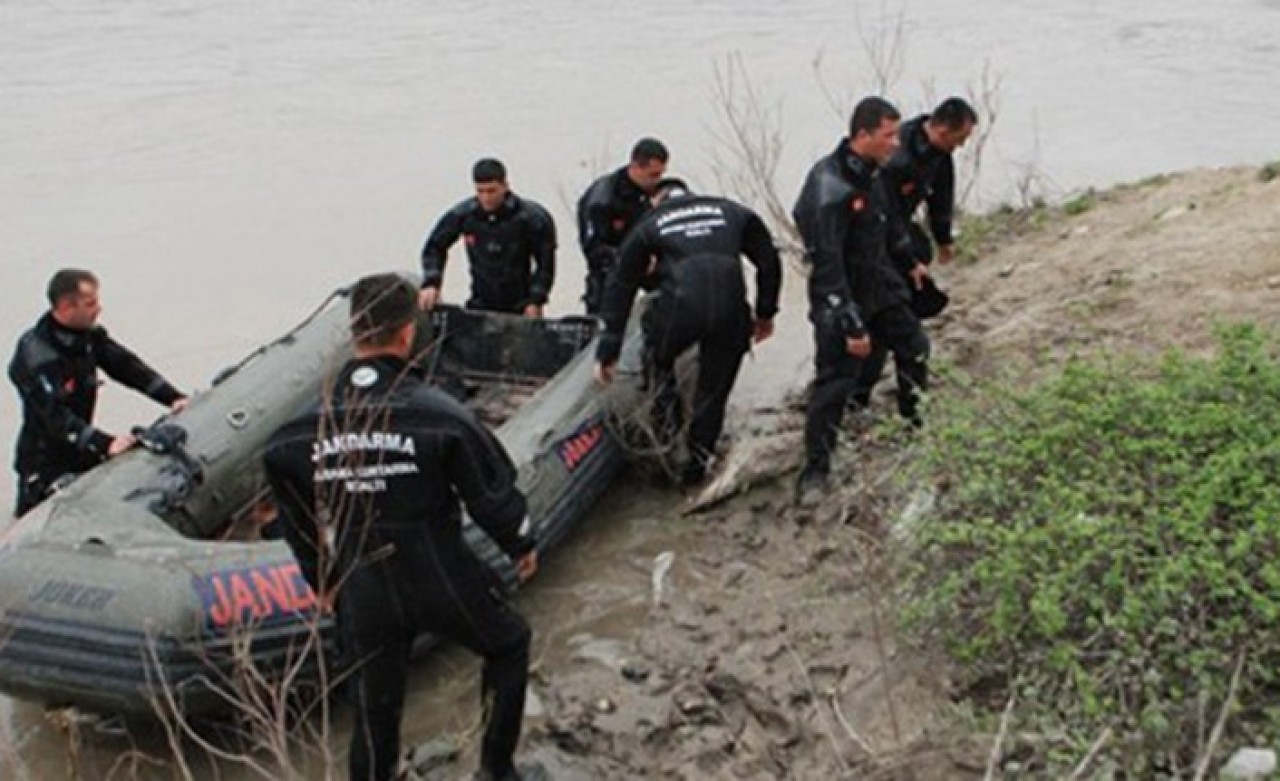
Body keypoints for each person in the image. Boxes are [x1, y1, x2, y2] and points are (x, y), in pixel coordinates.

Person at [263, 274, 539, 781]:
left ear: (355, 332)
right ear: (409, 333)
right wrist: (520, 543)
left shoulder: (301, 429)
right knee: (508, 643)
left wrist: (321, 579)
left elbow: (294, 518)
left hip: (361, 584)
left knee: (374, 700)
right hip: (440, 573)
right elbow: (490, 492)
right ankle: (496, 771)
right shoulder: (440, 416)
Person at [593, 179, 782, 485]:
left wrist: (608, 349)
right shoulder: (732, 211)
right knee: (713, 391)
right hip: (730, 311)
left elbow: (621, 283)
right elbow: (768, 260)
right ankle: (697, 463)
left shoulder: (650, 223)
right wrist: (765, 313)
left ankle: (667, 435)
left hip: (681, 313)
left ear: (657, 200)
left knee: (659, 359)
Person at [792, 97, 932, 499]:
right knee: (835, 381)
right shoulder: (828, 189)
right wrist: (850, 322)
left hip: (879, 282)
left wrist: (909, 262)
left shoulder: (876, 175)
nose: (896, 143)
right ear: (862, 134)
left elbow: (888, 225)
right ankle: (816, 469)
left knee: (915, 347)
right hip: (840, 295)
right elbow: (827, 265)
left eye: (896, 135)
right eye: (888, 136)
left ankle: (913, 425)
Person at [8, 269, 188, 517]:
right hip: (44, 462)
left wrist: (173, 397)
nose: (99, 308)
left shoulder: (89, 337)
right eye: (91, 303)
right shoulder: (37, 357)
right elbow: (55, 417)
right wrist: (105, 443)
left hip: (80, 451)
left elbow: (127, 366)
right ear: (67, 307)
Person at [418, 158, 556, 317]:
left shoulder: (532, 219)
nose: (486, 198)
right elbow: (435, 246)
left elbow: (545, 265)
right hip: (480, 303)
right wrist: (432, 282)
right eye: (480, 191)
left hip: (521, 305)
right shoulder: (464, 215)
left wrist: (536, 299)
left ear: (505, 186)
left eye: (491, 191)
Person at [881, 96, 978, 271]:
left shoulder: (941, 154)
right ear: (943, 131)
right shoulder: (898, 156)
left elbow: (941, 198)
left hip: (900, 220)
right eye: (960, 138)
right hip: (874, 222)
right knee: (905, 254)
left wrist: (943, 240)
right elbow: (886, 208)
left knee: (921, 249)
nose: (962, 145)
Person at [576, 137, 669, 314]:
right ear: (635, 167)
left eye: (660, 175)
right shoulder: (602, 200)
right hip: (611, 266)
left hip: (646, 264)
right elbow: (593, 250)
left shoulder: (652, 193)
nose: (657, 181)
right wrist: (632, 259)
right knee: (605, 310)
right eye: (653, 175)